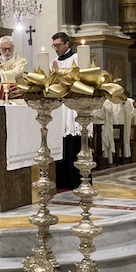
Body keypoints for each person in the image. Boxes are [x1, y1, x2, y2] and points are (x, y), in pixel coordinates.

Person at [50, 32, 83, 189]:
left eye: (58, 45)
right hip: (59, 106)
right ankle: (61, 180)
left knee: (73, 141)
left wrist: (59, 73)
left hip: (72, 105)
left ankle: (76, 180)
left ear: (67, 44)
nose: (55, 48)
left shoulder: (77, 59)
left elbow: (79, 79)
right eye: (54, 45)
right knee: (60, 142)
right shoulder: (53, 62)